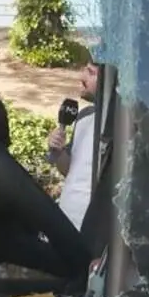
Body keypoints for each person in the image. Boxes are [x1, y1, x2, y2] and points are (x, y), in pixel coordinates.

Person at [47, 59, 101, 231]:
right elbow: (68, 170)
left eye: (91, 73)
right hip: (68, 221)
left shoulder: (122, 124)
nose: (81, 76)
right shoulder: (84, 115)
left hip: (95, 231)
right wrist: (58, 152)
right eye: (85, 69)